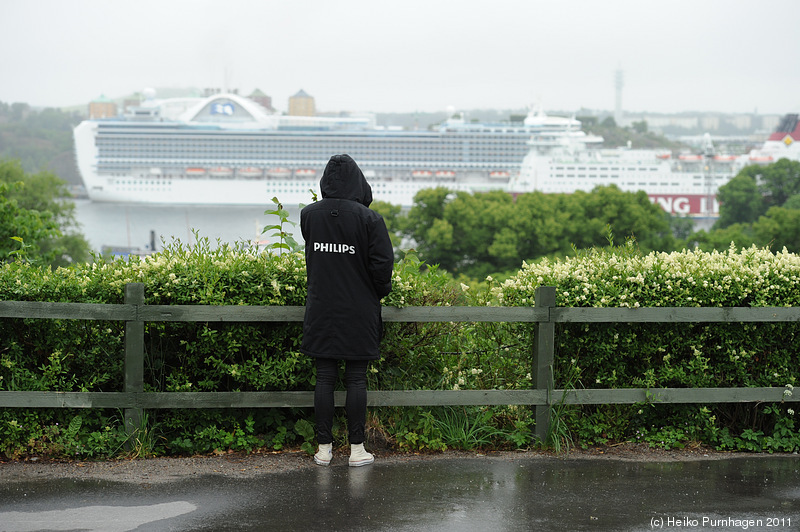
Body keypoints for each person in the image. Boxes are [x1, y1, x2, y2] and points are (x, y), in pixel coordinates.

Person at [300, 154, 394, 467]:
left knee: (324, 378)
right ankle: (356, 450)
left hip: (321, 308)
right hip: (358, 310)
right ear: (359, 181)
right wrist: (377, 292)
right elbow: (382, 265)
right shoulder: (369, 219)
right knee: (357, 379)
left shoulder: (309, 216)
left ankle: (324, 450)